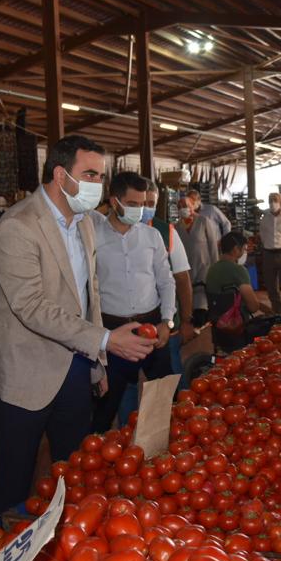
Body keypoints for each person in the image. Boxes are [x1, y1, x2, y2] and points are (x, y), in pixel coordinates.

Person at [0, 135, 153, 514]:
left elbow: (89, 293)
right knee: (13, 482)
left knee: (74, 474)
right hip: (25, 374)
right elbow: (31, 307)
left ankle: (65, 549)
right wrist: (106, 339)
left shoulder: (84, 224)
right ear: (60, 175)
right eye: (89, 174)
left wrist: (98, 362)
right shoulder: (19, 226)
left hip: (75, 367)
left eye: (101, 175)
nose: (98, 184)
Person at [90, 172, 177, 432]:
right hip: (112, 331)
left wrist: (167, 321)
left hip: (151, 326)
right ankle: (99, 458)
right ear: (114, 201)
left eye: (144, 204)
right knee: (105, 406)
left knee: (164, 397)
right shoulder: (93, 236)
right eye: (133, 204)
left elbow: (166, 281)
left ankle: (167, 453)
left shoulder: (151, 237)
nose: (140, 210)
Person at [144, 180, 195, 377]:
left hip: (165, 323)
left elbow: (182, 279)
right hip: (126, 324)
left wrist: (186, 320)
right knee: (127, 388)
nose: (145, 209)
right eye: (140, 203)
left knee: (170, 377)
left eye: (150, 204)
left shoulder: (167, 232)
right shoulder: (111, 231)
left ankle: (176, 408)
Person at [206, 231, 272, 324]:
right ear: (236, 249)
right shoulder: (238, 270)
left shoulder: (211, 269)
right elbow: (253, 307)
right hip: (236, 324)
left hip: (217, 323)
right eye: (244, 249)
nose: (244, 253)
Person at [175, 196, 220, 326]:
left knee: (201, 301)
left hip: (204, 267)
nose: (183, 208)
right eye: (180, 206)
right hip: (187, 269)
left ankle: (202, 319)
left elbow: (213, 246)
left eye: (185, 205)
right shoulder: (177, 227)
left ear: (192, 205)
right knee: (188, 297)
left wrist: (215, 268)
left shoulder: (203, 221)